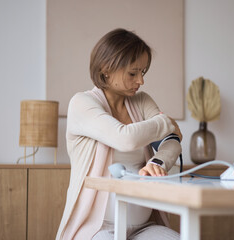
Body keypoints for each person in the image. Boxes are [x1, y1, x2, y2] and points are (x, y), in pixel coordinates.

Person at [56, 28, 182, 240]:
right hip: (97, 228)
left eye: (143, 72)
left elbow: (171, 141)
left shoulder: (142, 101)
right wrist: (166, 121)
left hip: (144, 227)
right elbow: (125, 138)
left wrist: (158, 162)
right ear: (106, 69)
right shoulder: (82, 103)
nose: (141, 81)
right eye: (133, 73)